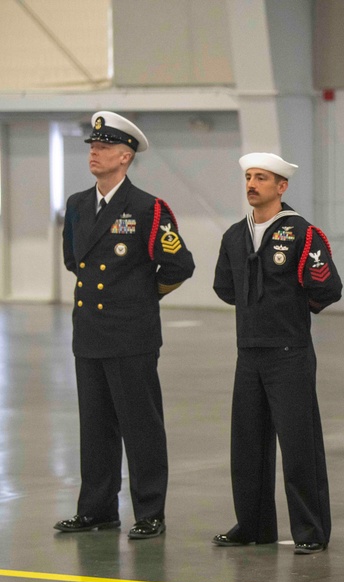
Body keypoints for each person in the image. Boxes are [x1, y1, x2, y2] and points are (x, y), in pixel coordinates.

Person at [55, 111, 195, 539]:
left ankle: (150, 511)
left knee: (141, 426)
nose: (94, 153)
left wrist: (143, 295)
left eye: (102, 148)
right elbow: (72, 260)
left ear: (125, 156)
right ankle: (97, 509)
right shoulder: (78, 204)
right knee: (95, 426)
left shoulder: (147, 208)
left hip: (131, 334)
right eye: (92, 147)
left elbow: (179, 264)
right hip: (90, 333)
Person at [212, 152, 342, 554]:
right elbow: (224, 286)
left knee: (299, 444)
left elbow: (327, 287)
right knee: (247, 445)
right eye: (249, 177)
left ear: (281, 187)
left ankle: (311, 530)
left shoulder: (302, 233)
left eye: (261, 178)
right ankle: (253, 525)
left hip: (289, 352)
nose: (252, 184)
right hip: (248, 352)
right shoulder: (235, 235)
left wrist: (286, 311)